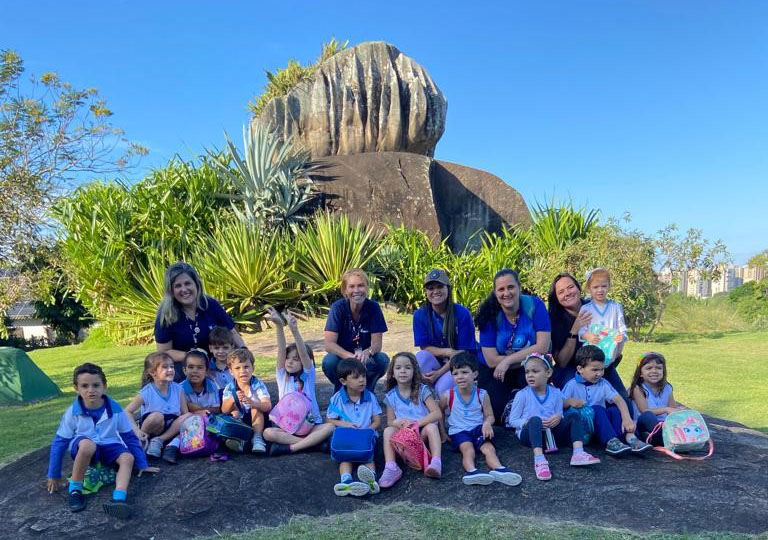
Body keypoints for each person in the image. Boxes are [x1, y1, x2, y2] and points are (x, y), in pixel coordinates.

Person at [47, 363, 158, 518]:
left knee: (127, 458)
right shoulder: (72, 412)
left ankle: (118, 499)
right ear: (76, 389)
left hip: (109, 446)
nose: (91, 390)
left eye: (96, 385)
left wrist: (142, 463)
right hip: (84, 448)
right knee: (87, 446)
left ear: (104, 387)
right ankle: (75, 489)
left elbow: (129, 437)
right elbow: (60, 442)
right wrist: (53, 474)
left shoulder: (116, 409)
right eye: (84, 386)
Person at [505, 353, 600, 481]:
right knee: (535, 420)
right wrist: (527, 422)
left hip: (551, 434)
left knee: (572, 414)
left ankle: (578, 453)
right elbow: (513, 420)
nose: (530, 375)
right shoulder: (522, 395)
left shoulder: (556, 393)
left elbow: (559, 412)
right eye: (527, 372)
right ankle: (539, 460)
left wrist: (558, 417)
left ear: (548, 373)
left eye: (535, 371)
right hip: (530, 434)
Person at [475, 269, 551, 422]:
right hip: (495, 370)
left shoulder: (534, 305)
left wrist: (507, 361)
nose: (506, 293)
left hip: (526, 365)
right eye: (501, 289)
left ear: (519, 287)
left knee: (536, 394)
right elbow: (491, 360)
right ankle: (514, 399)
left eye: (510, 287)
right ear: (495, 293)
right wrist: (516, 359)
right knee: (496, 412)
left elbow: (543, 346)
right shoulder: (488, 314)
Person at [548, 271, 632, 408]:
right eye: (561, 292)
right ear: (557, 298)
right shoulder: (555, 319)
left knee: (623, 403)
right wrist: (575, 330)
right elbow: (562, 362)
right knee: (584, 405)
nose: (567, 293)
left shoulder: (596, 305)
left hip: (600, 364)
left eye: (570, 287)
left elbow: (616, 336)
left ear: (579, 288)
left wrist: (617, 341)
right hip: (571, 368)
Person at [440, 352, 522, 487]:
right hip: (460, 431)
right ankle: (472, 472)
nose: (460, 377)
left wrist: (487, 424)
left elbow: (490, 415)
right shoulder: (448, 395)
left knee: (489, 449)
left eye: (464, 372)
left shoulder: (482, 394)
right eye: (455, 373)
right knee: (468, 450)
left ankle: (499, 470)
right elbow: (440, 412)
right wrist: (443, 432)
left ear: (475, 374)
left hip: (479, 429)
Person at [154, 262, 244, 381]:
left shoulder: (211, 305)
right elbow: (164, 352)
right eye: (178, 286)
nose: (184, 289)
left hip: (216, 363)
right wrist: (195, 360)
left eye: (187, 283)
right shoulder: (166, 314)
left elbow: (232, 333)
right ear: (171, 291)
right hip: (184, 368)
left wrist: (244, 353)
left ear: (197, 284)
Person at [263, 307, 335, 455]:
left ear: (303, 362)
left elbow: (304, 355)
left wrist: (294, 330)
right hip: (286, 428)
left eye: (295, 360)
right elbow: (281, 351)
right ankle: (313, 444)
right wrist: (279, 327)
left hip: (310, 426)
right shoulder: (283, 376)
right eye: (288, 359)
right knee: (267, 433)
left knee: (330, 428)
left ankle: (293, 447)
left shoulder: (308, 376)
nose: (289, 362)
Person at [562, 346, 651, 456]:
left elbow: (619, 400)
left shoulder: (603, 383)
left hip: (602, 425)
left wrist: (627, 418)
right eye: (594, 370)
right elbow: (561, 403)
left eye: (602, 369)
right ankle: (611, 441)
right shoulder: (572, 385)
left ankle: (630, 437)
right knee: (598, 409)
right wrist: (571, 401)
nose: (599, 373)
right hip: (585, 429)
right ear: (580, 369)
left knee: (614, 410)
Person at [379, 352, 443, 488]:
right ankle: (391, 466)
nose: (403, 371)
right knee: (388, 430)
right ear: (392, 373)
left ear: (414, 371)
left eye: (408, 367)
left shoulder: (422, 390)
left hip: (422, 434)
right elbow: (390, 421)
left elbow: (437, 413)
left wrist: (417, 424)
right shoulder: (391, 396)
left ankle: (436, 462)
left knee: (432, 427)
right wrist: (398, 422)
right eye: (398, 368)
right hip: (404, 438)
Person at [413, 269, 477, 396]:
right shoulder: (420, 315)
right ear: (426, 292)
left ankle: (445, 399)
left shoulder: (462, 314)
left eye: (440, 287)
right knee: (421, 357)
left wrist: (439, 373)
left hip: (461, 363)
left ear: (448, 288)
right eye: (430, 288)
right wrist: (448, 351)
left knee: (443, 388)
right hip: (438, 360)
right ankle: (427, 395)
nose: (435, 291)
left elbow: (462, 353)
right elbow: (425, 347)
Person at [323, 268, 389, 392]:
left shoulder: (373, 307)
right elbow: (329, 345)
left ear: (367, 288)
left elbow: (377, 345)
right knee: (329, 361)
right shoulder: (338, 308)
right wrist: (350, 357)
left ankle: (367, 392)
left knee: (382, 359)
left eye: (361, 286)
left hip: (365, 357)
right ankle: (341, 394)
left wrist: (366, 353)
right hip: (343, 358)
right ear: (345, 290)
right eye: (351, 286)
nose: (356, 290)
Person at [326, 358, 382, 497]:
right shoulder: (337, 398)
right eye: (356, 377)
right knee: (345, 458)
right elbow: (329, 419)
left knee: (369, 457)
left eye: (363, 376)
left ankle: (371, 480)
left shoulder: (370, 397)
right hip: (347, 437)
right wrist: (344, 424)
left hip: (366, 434)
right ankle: (346, 482)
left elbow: (377, 420)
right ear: (343, 381)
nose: (362, 380)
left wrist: (367, 430)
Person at [125, 352, 192, 465]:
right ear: (153, 372)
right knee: (157, 416)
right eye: (165, 367)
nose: (170, 370)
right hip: (152, 426)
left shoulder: (178, 389)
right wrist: (137, 431)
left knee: (189, 416)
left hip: (170, 428)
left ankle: (160, 440)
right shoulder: (147, 392)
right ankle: (143, 442)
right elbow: (127, 411)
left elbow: (184, 413)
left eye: (171, 366)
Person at [221, 348, 271, 453]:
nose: (242, 371)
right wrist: (233, 400)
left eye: (246, 367)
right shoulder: (230, 388)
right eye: (237, 368)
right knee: (233, 411)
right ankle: (239, 439)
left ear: (253, 368)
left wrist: (254, 403)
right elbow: (224, 410)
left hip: (259, 420)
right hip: (240, 418)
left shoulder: (257, 385)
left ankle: (257, 438)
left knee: (255, 408)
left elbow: (267, 406)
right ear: (231, 371)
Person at [629, 352, 684, 445]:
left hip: (665, 425)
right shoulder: (638, 388)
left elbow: (672, 408)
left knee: (684, 416)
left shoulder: (667, 387)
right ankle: (662, 439)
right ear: (640, 373)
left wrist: (679, 411)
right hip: (645, 423)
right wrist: (666, 409)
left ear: (663, 371)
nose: (654, 371)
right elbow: (645, 411)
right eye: (649, 368)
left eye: (658, 368)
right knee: (648, 416)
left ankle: (670, 439)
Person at [181, 349, 221, 415]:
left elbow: (216, 409)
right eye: (191, 367)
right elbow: (181, 412)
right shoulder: (179, 389)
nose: (195, 371)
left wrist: (194, 408)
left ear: (207, 371)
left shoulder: (212, 385)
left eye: (199, 368)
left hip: (210, 421)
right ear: (184, 370)